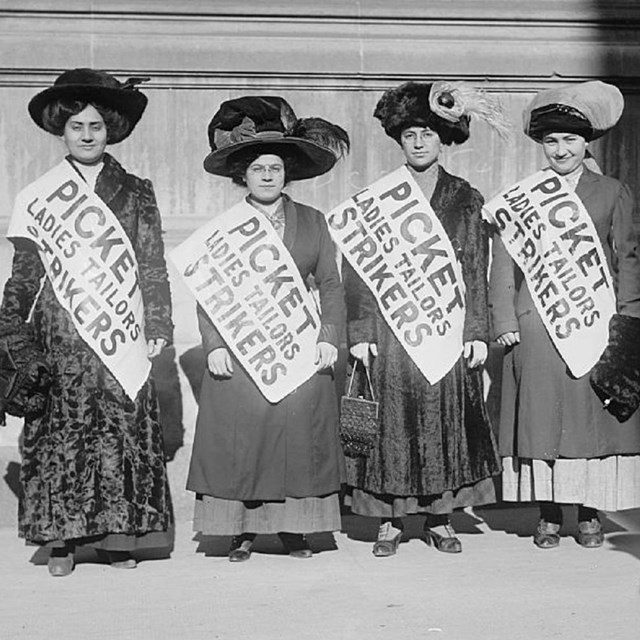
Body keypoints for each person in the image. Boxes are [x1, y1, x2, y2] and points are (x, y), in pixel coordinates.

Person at [0, 68, 174, 576]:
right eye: (77, 126)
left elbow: (152, 263)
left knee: (119, 435)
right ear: (62, 130)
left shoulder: (137, 191)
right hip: (60, 335)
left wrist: (158, 322)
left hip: (123, 332)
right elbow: (24, 275)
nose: (87, 135)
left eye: (96, 126)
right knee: (62, 437)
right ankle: (61, 544)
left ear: (111, 129)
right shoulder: (38, 196)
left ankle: (119, 539)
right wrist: (12, 333)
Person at [344, 81, 505, 556]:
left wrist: (477, 331)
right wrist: (360, 332)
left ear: (443, 140)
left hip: (447, 330)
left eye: (428, 134)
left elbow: (476, 267)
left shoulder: (465, 197)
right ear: (399, 139)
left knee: (443, 423)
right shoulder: (378, 198)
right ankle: (391, 521)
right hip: (392, 334)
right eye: (411, 133)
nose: (418, 142)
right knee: (393, 426)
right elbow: (357, 273)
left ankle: (440, 517)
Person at [186, 96, 348, 561]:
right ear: (242, 176)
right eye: (257, 168)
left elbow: (332, 286)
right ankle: (241, 531)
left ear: (287, 172)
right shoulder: (225, 228)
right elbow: (208, 290)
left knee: (298, 437)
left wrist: (327, 337)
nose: (267, 175)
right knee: (245, 435)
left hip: (297, 344)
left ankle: (296, 529)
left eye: (275, 167)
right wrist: (213, 343)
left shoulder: (313, 222)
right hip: (242, 345)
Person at [489, 81, 640, 549]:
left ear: (585, 143)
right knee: (542, 417)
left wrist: (629, 318)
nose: (561, 149)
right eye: (552, 141)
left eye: (570, 140)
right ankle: (549, 513)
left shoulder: (612, 191)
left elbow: (628, 258)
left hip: (594, 319)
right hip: (536, 322)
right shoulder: (521, 197)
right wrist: (504, 321)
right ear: (542, 145)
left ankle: (590, 514)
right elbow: (504, 262)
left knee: (588, 417)